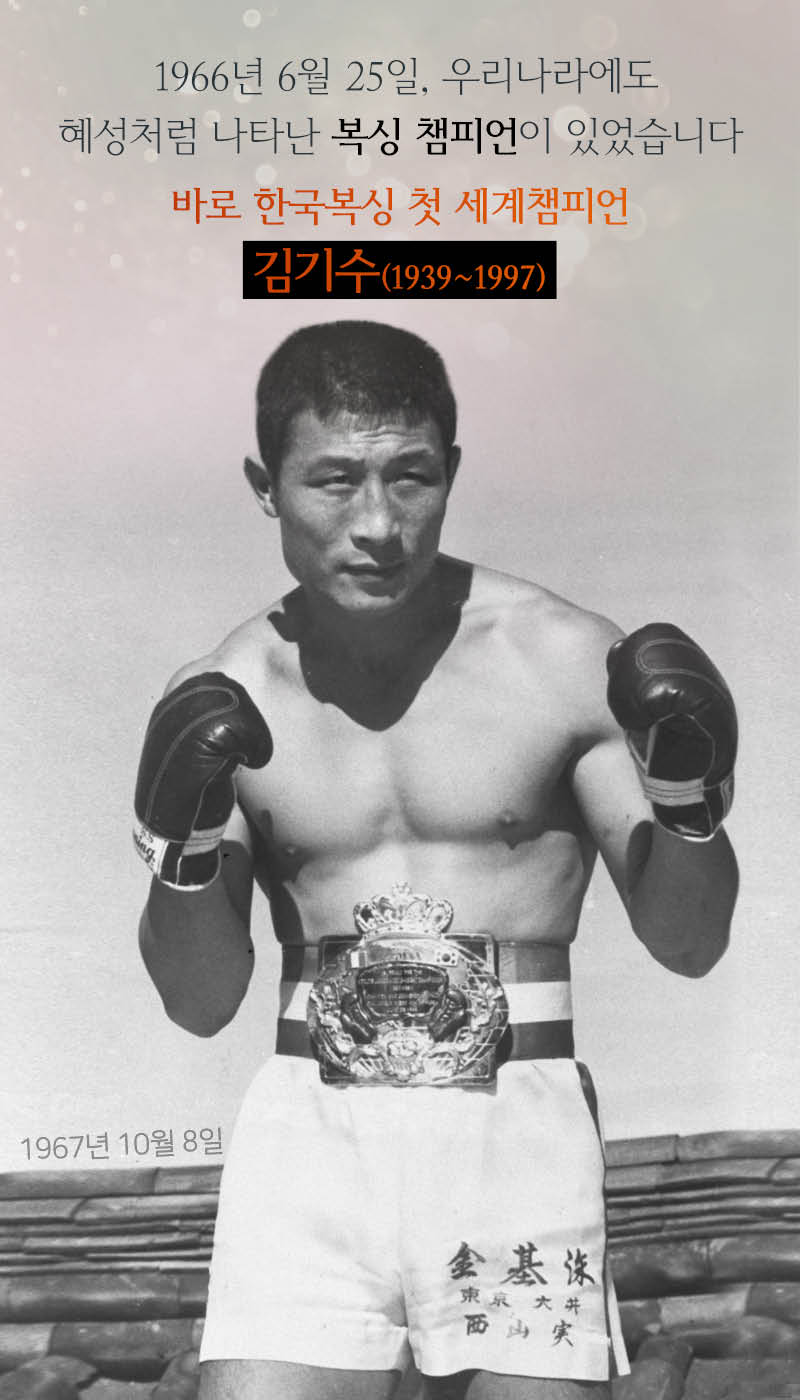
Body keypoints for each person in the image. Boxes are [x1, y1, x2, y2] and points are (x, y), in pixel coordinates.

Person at [134, 320, 739, 1400]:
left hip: (516, 1133)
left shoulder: (564, 662)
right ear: (265, 487)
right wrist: (180, 853)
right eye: (334, 480)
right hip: (309, 1138)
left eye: (410, 477)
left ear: (450, 471)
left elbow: (688, 943)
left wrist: (687, 804)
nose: (378, 524)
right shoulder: (229, 691)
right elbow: (198, 1000)